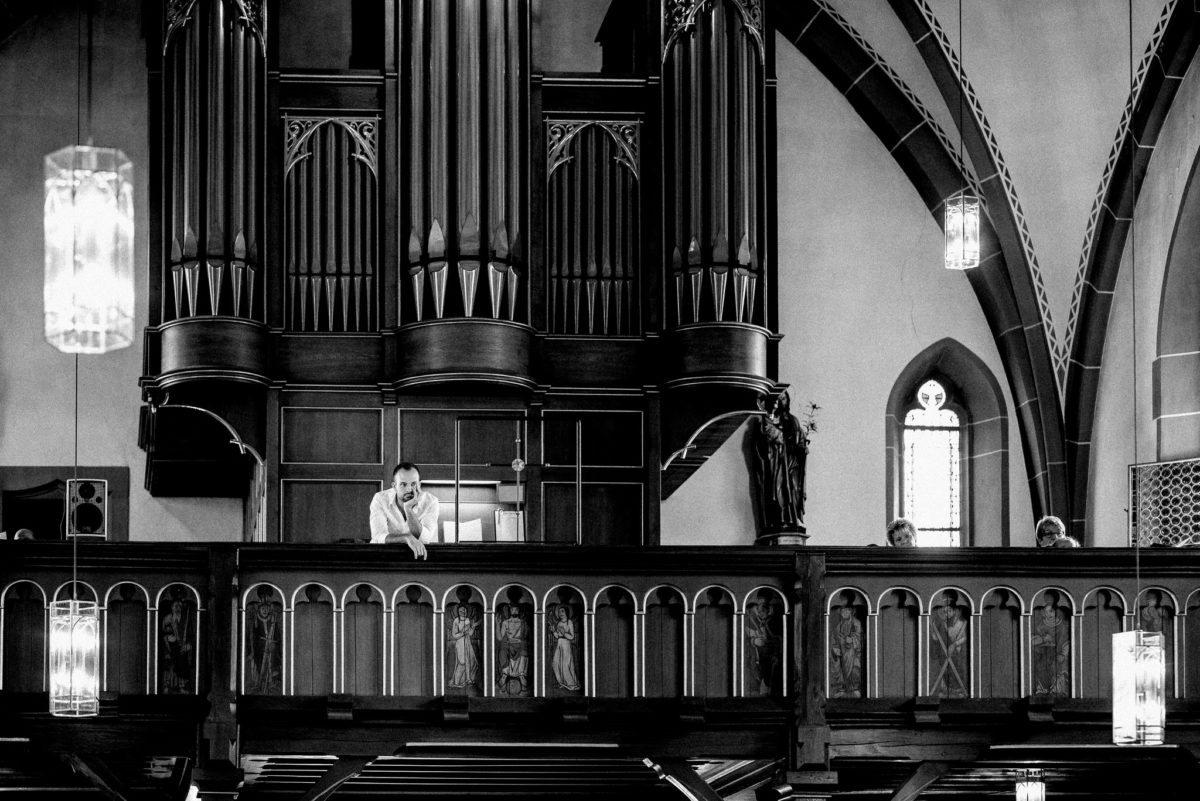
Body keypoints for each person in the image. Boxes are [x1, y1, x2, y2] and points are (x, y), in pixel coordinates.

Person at [752, 390, 809, 531]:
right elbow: (767, 435)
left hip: (792, 461)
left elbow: (800, 439)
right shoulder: (767, 420)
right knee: (778, 491)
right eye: (779, 398)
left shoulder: (793, 420)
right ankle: (780, 520)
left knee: (795, 488)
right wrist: (782, 437)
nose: (782, 401)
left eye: (784, 398)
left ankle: (793, 520)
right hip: (777, 461)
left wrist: (803, 448)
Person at [369, 462, 440, 558]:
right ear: (394, 486)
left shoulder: (431, 502)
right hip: (383, 556)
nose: (409, 489)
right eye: (403, 484)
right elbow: (378, 537)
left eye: (413, 484)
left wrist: (408, 509)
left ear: (419, 484)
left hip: (416, 558)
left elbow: (425, 539)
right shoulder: (380, 499)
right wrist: (407, 538)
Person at [496, 604, 529, 695]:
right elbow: (499, 638)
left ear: (519, 611)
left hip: (520, 646)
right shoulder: (505, 622)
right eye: (512, 609)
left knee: (524, 650)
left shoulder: (523, 622)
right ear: (509, 611)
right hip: (509, 646)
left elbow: (525, 637)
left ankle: (522, 679)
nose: (514, 611)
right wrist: (497, 624)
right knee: (503, 650)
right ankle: (504, 676)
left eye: (516, 609)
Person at [549, 605, 581, 691]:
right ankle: (562, 682)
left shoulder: (569, 622)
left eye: (562, 611)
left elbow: (571, 637)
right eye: (559, 612)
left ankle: (571, 684)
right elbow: (557, 636)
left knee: (565, 665)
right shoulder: (559, 623)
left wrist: (563, 633)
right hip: (559, 643)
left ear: (566, 612)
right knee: (555, 663)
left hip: (566, 644)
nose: (560, 614)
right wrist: (554, 631)